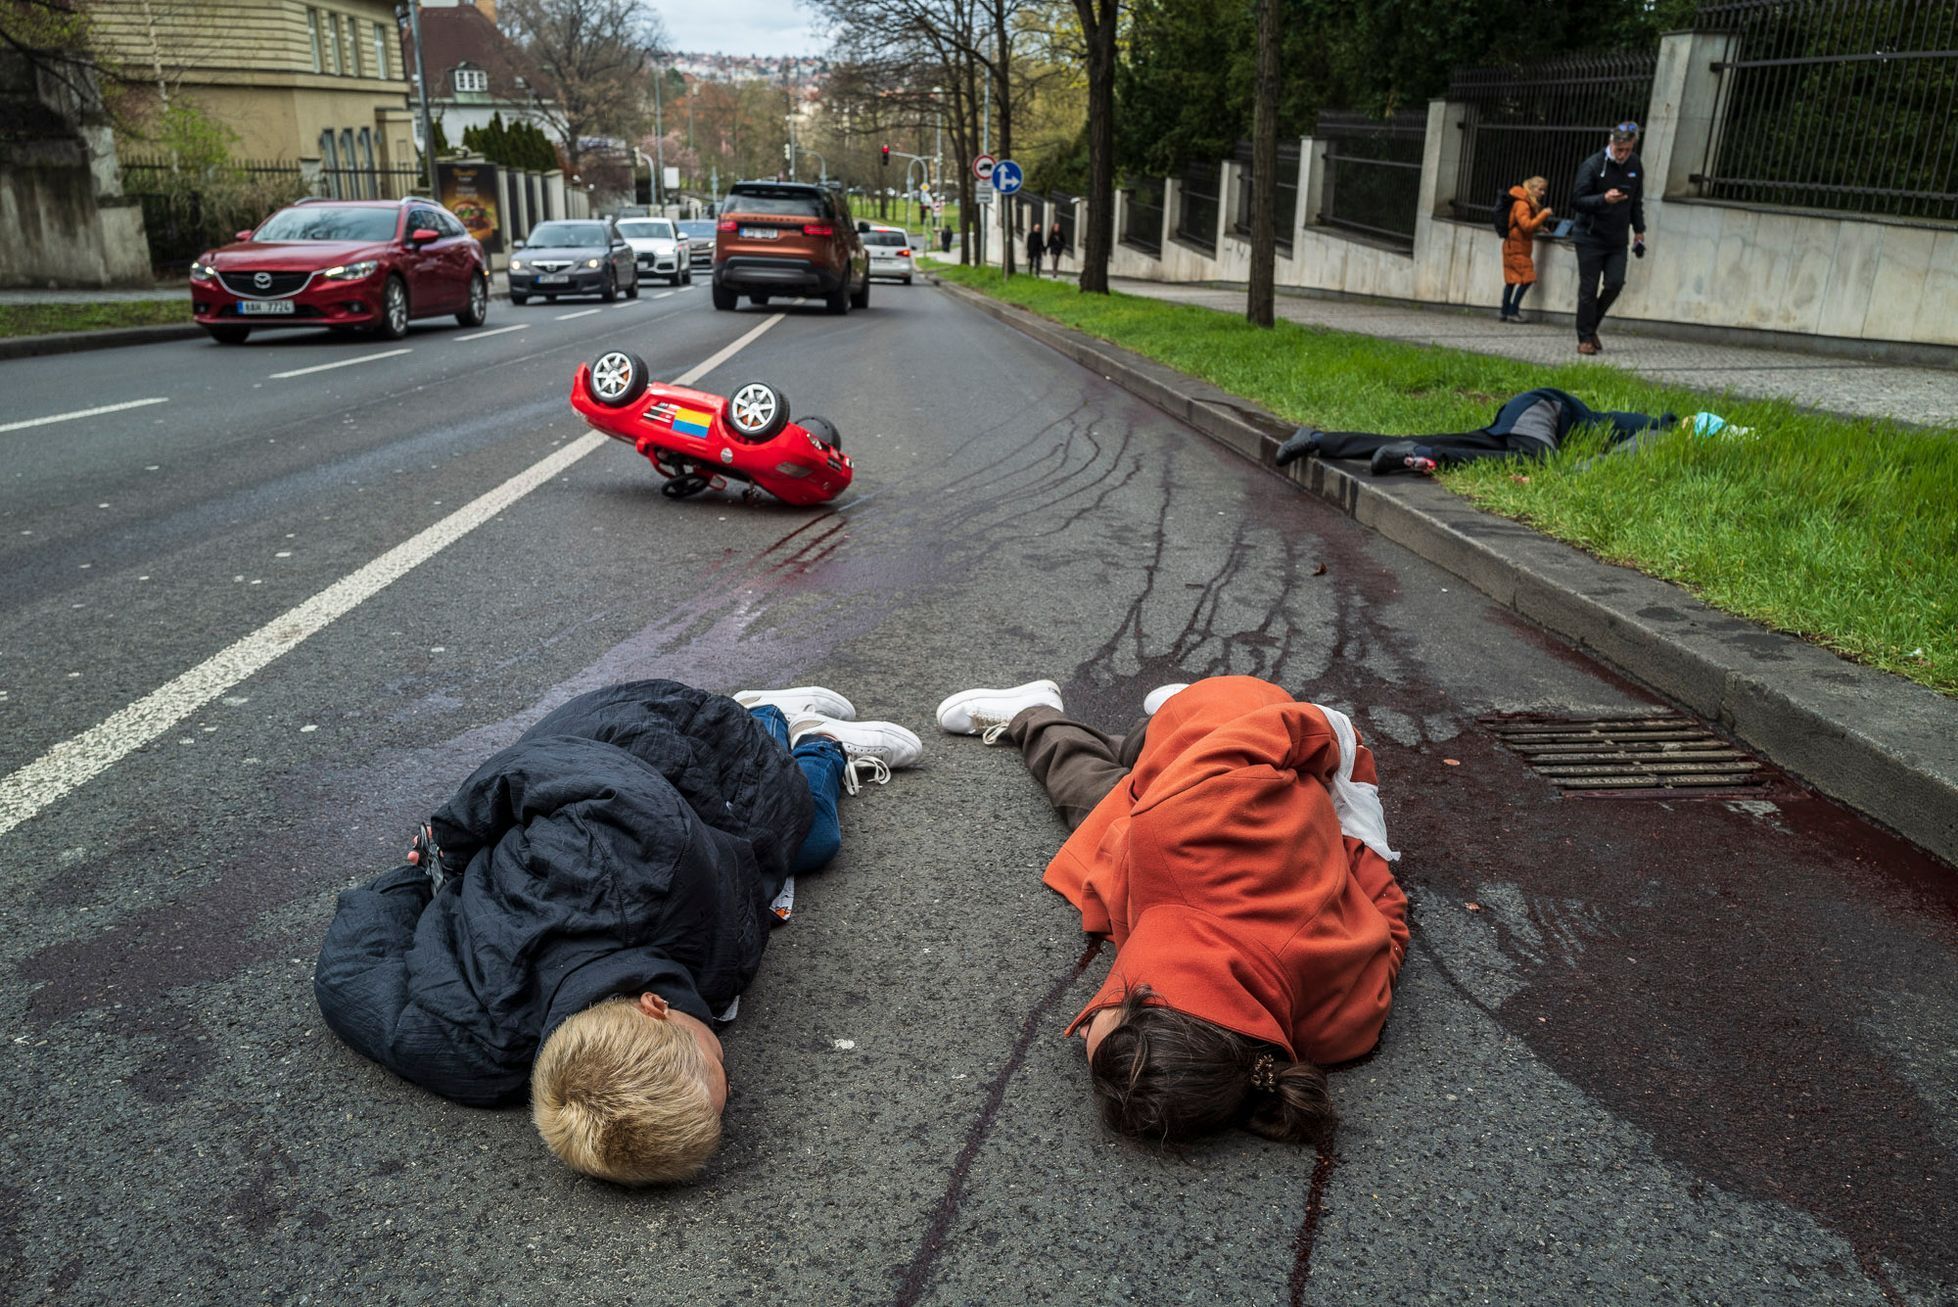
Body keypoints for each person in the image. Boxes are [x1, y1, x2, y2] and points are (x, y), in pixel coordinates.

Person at [313, 680, 923, 1184]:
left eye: (718, 1074)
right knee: (813, 846)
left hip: (643, 739)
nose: (730, 1074)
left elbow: (539, 771)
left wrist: (437, 852)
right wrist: (402, 892)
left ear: (656, 1008)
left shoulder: (647, 857)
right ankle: (824, 746)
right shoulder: (472, 1057)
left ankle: (766, 713)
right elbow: (348, 976)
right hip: (667, 837)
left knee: (792, 818)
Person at [935, 676, 1407, 1146]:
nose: (1081, 1037)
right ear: (1145, 990)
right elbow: (1293, 729)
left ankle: (1155, 720)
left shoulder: (1341, 1029)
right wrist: (1349, 769)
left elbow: (1388, 914)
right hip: (1239, 726)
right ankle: (1036, 713)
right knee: (1091, 775)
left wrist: (1354, 844)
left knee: (1123, 773)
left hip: (1234, 800)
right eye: (1101, 1015)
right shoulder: (1181, 833)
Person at [1276, 386, 1678, 475]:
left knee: (1437, 439)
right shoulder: (1671, 430)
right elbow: (1612, 459)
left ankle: (1316, 439)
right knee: (1537, 460)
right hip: (1545, 411)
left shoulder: (1658, 426)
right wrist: (1574, 475)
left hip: (1531, 412)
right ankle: (1420, 455)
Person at [1570, 121, 1647, 356]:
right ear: (1611, 143)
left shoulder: (1635, 165)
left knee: (1615, 283)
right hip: (1589, 237)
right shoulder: (1593, 166)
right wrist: (1603, 198)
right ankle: (1584, 338)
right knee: (1589, 289)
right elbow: (1577, 201)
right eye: (1619, 149)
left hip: (1616, 239)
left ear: (1633, 145)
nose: (1622, 154)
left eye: (1627, 149)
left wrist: (1639, 231)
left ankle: (1591, 326)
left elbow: (1635, 201)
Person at [1500, 176, 1555, 323]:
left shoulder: (1523, 202)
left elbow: (1525, 225)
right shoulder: (1522, 204)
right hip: (1517, 248)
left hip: (1514, 246)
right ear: (1531, 189)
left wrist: (1540, 228)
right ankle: (1512, 311)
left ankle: (1504, 312)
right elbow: (1526, 226)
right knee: (1528, 279)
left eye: (1544, 190)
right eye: (1540, 189)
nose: (1543, 193)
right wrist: (1544, 214)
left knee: (1511, 280)